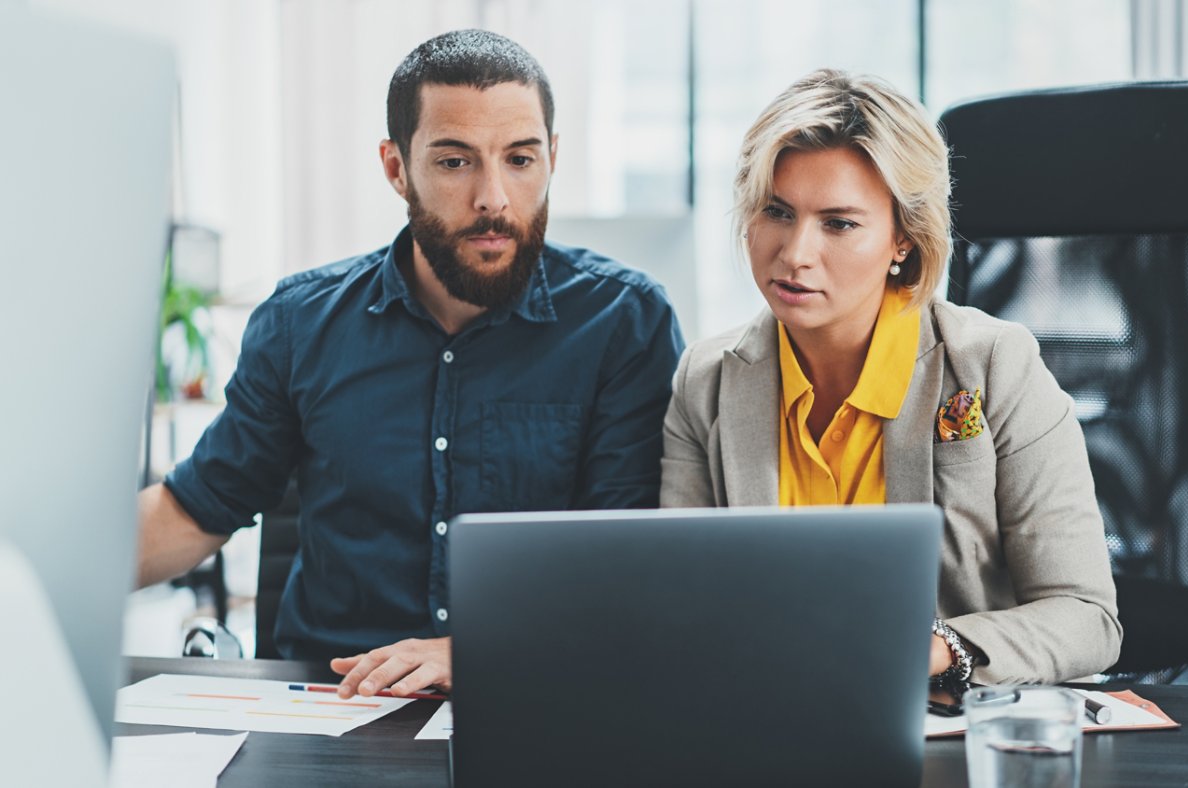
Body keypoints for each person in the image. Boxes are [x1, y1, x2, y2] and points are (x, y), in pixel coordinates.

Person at [136, 30, 684, 699]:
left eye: (519, 159)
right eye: (455, 163)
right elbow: (195, 511)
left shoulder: (624, 324)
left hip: (536, 696)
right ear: (397, 168)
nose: (493, 199)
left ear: (553, 158)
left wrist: (478, 649)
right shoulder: (300, 323)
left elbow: (624, 568)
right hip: (331, 705)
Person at [659, 69, 1121, 685]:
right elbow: (682, 607)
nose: (795, 252)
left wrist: (934, 649)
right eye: (777, 211)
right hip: (769, 714)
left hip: (945, 728)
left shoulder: (995, 366)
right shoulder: (706, 381)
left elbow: (1086, 618)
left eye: (839, 223)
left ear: (903, 239)